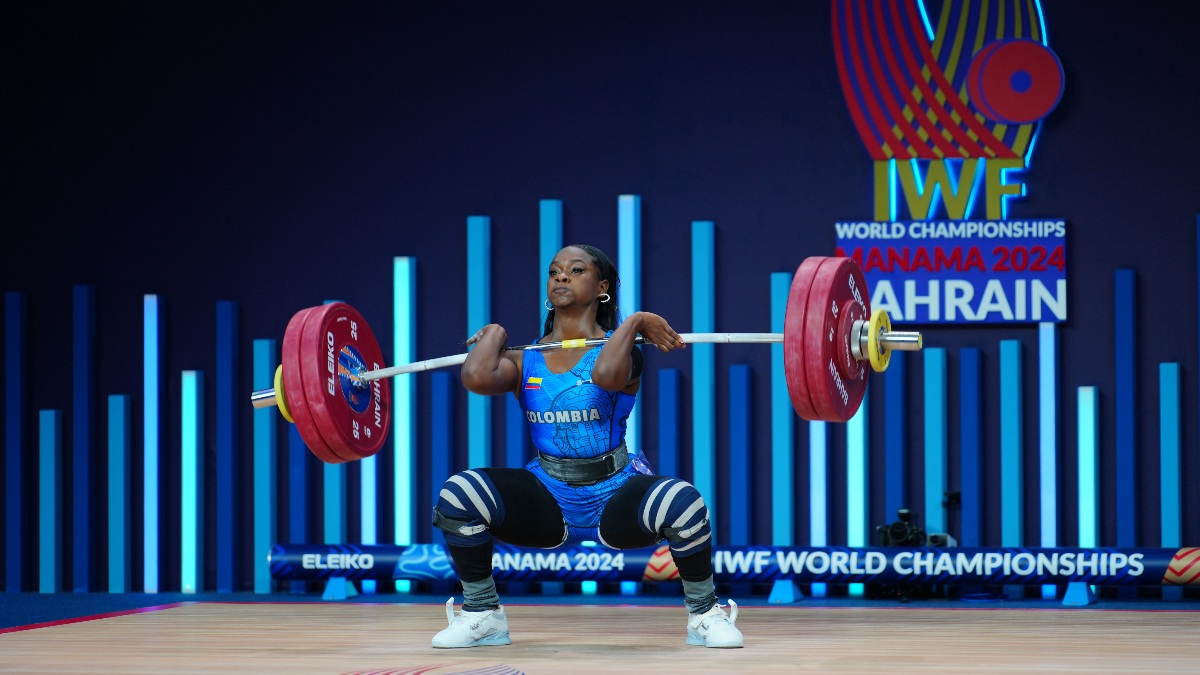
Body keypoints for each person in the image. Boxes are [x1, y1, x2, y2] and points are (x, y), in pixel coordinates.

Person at [430, 244, 743, 649]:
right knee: (459, 494)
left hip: (615, 493)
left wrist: (635, 322)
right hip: (547, 496)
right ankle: (484, 614)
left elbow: (607, 375)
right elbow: (475, 377)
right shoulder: (527, 358)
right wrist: (495, 334)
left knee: (682, 500)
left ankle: (704, 614)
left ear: (602, 287)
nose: (561, 276)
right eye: (555, 271)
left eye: (576, 270)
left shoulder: (624, 349)